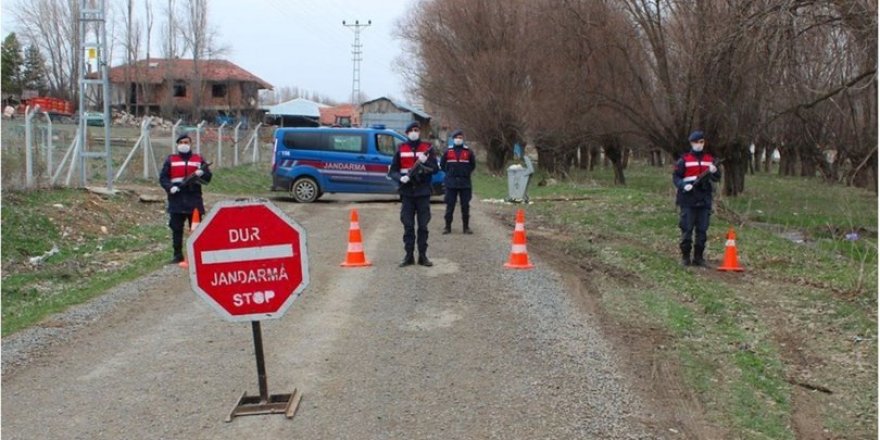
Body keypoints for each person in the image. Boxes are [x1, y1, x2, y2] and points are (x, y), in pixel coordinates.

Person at [388, 122, 439, 267]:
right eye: (411, 130)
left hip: (423, 192)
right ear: (407, 133)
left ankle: (423, 256)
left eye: (417, 130)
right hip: (407, 192)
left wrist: (424, 167)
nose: (414, 132)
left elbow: (435, 169)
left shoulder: (427, 149)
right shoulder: (401, 148)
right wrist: (400, 178)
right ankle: (408, 256)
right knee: (408, 226)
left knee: (423, 226)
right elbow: (392, 171)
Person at [159, 133, 212, 264]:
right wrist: (170, 187)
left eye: (186, 142)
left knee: (196, 228)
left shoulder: (198, 159)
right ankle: (178, 255)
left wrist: (202, 173)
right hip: (176, 199)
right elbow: (163, 178)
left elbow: (208, 178)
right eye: (181, 142)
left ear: (190, 144)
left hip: (194, 198)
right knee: (176, 228)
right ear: (177, 144)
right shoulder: (171, 159)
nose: (184, 145)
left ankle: (197, 255)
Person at [673, 130, 721, 267]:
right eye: (696, 142)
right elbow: (676, 177)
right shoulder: (684, 160)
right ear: (691, 143)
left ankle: (699, 258)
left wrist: (714, 171)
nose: (699, 145)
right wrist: (683, 185)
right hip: (688, 199)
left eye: (701, 142)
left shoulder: (709, 160)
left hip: (704, 199)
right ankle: (685, 257)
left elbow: (717, 178)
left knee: (702, 230)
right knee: (686, 229)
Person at [440, 129, 476, 234]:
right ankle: (447, 227)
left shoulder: (468, 151)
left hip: (465, 183)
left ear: (463, 139)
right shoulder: (448, 151)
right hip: (451, 183)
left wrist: (465, 172)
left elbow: (472, 165)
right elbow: (442, 165)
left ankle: (466, 227)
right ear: (453, 139)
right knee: (450, 205)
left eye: (460, 138)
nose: (458, 139)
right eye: (456, 138)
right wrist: (449, 173)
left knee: (465, 206)